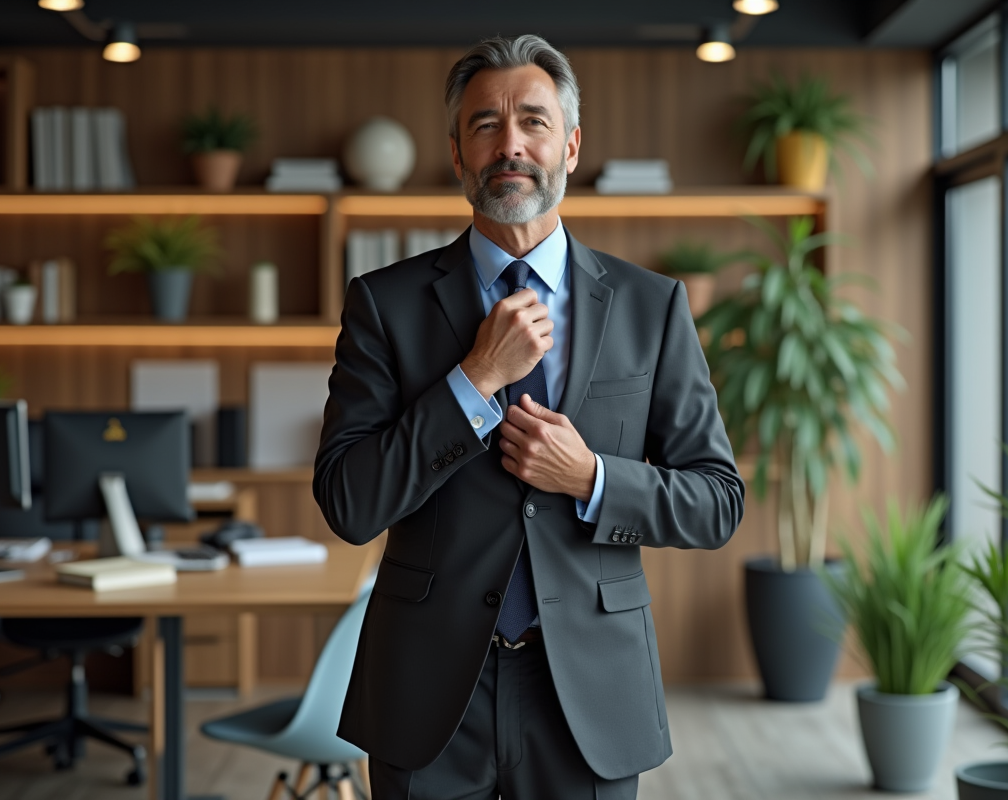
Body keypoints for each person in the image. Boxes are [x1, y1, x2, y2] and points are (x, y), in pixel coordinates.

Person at [314, 33, 745, 800]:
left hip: (590, 693)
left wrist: (591, 478)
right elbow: (350, 503)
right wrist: (474, 381)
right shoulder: (384, 304)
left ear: (571, 145)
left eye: (534, 122)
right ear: (456, 152)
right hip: (430, 691)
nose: (509, 144)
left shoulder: (652, 307)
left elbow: (717, 501)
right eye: (485, 125)